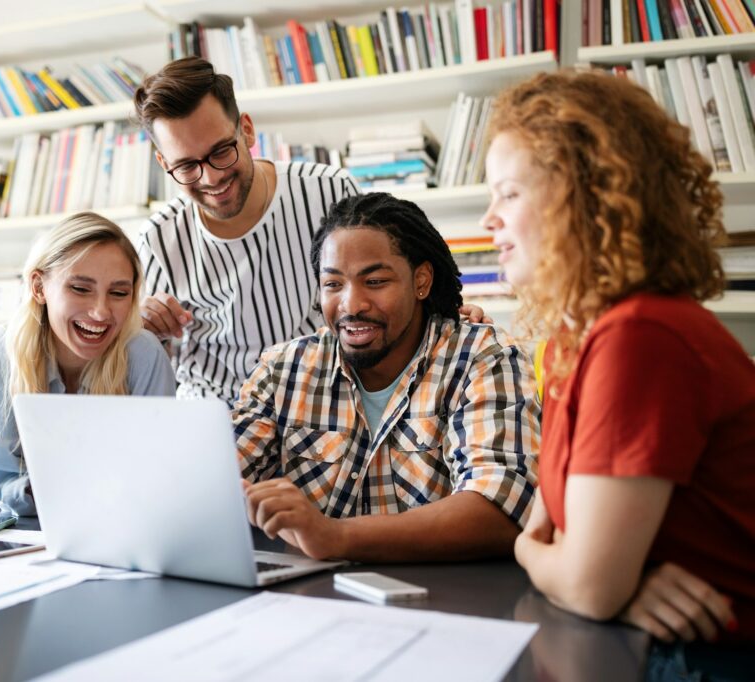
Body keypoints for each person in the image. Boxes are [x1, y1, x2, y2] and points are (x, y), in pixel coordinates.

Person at [481, 71, 755, 667]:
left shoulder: (641, 336)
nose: (488, 220)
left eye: (508, 193)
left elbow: (581, 579)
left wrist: (577, 573)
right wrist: (604, 583)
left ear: (582, 194)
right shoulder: (568, 344)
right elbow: (559, 549)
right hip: (640, 642)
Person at [133, 57, 487, 403]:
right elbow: (155, 364)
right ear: (164, 163)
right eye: (186, 166)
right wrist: (144, 328)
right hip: (220, 419)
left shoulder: (328, 191)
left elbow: (385, 287)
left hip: (324, 410)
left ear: (246, 129)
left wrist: (444, 316)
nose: (211, 178)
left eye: (221, 152)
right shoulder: (157, 242)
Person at [235, 192, 540, 563]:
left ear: (421, 281)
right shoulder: (283, 368)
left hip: (446, 599)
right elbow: (216, 478)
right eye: (333, 284)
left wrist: (334, 535)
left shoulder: (481, 357)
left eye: (375, 281)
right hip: (310, 599)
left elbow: (499, 509)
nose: (352, 304)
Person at [0, 212, 176, 515]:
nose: (101, 312)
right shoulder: (0, 352)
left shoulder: (144, 355)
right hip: (27, 529)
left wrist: (36, 488)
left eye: (118, 293)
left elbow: (154, 478)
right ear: (39, 287)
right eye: (80, 289)